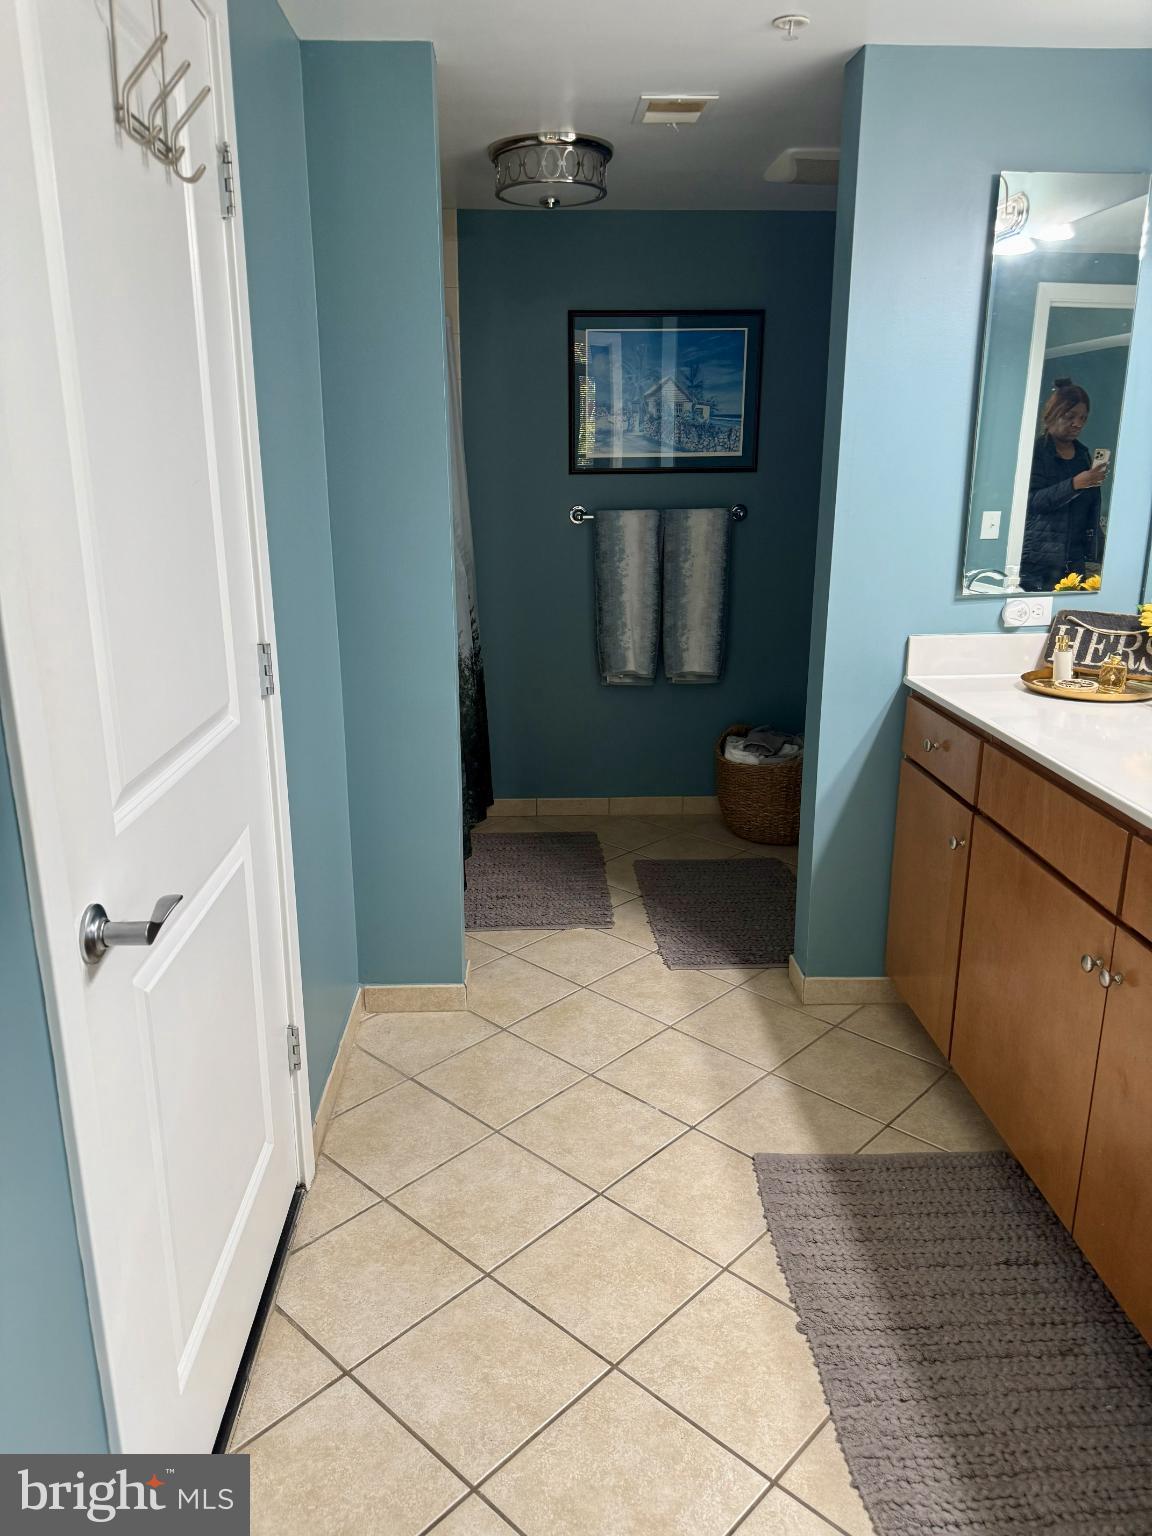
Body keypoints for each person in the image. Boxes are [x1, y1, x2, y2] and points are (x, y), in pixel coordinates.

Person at [1021, 378, 1107, 591]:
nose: (1077, 423)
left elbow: (1090, 509)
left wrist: (1101, 551)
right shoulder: (1037, 452)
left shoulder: (1083, 456)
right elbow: (1032, 502)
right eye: (1070, 417)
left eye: (1083, 418)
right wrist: (1075, 484)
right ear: (1051, 416)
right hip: (1039, 561)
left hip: (1074, 559)